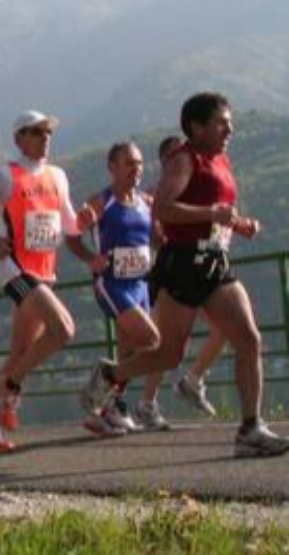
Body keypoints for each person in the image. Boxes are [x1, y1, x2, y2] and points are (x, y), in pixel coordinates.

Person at [79, 93, 289, 458]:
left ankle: (250, 428)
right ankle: (112, 374)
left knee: (249, 339)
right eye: (222, 122)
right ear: (197, 126)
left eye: (230, 121)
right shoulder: (184, 159)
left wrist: (238, 224)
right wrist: (212, 212)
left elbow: (217, 213)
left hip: (215, 261)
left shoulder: (219, 159)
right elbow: (163, 207)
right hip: (183, 265)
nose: (230, 128)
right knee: (168, 356)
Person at [0, 112, 91, 453]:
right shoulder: (3, 175)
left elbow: (69, 224)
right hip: (16, 271)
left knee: (21, 352)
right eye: (37, 132)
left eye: (48, 132)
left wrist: (85, 221)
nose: (45, 137)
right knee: (64, 329)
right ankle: (11, 388)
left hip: (45, 271)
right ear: (19, 138)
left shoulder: (58, 175)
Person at [64, 142, 157, 437]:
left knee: (129, 353)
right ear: (112, 167)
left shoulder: (146, 202)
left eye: (140, 163)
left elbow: (156, 238)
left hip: (141, 282)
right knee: (150, 340)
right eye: (129, 163)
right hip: (113, 283)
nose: (136, 169)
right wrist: (90, 258)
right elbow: (71, 235)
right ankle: (102, 385)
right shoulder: (100, 202)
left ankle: (107, 411)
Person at [137, 135, 227, 429]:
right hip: (172, 273)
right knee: (168, 347)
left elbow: (215, 225)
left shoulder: (201, 188)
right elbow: (155, 235)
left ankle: (193, 380)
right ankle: (145, 403)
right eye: (175, 156)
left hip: (205, 267)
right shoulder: (155, 194)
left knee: (225, 328)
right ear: (165, 163)